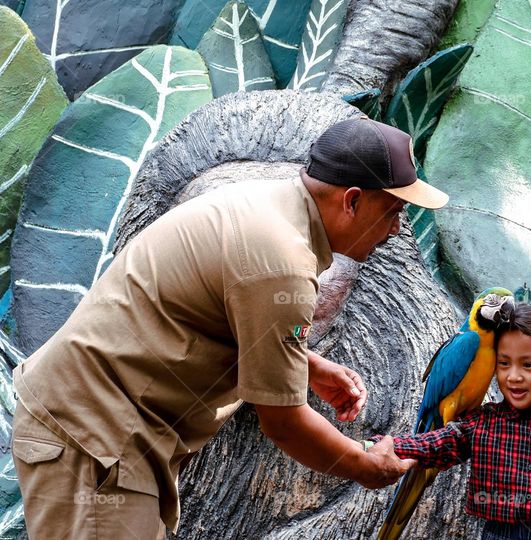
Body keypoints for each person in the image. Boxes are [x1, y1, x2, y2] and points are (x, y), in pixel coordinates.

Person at [11, 118, 446, 539]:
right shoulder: (282, 262)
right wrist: (363, 465)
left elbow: (218, 313)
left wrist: (305, 365)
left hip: (102, 431)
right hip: (93, 443)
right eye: (392, 211)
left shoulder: (268, 204)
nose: (395, 230)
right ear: (350, 201)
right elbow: (285, 425)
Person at [374, 292, 531, 540]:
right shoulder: (485, 420)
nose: (514, 376)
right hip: (496, 534)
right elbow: (443, 441)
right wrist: (392, 445)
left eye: (528, 365)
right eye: (504, 363)